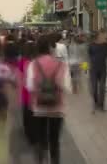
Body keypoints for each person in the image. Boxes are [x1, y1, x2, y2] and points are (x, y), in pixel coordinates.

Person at [26, 35, 72, 164]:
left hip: (39, 107)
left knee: (41, 138)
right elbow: (67, 87)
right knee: (54, 139)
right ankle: (54, 161)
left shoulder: (33, 64)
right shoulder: (61, 65)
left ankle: (40, 160)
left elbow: (29, 86)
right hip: (57, 108)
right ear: (50, 49)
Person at [88, 29, 107, 112]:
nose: (104, 37)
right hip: (93, 69)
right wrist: (85, 68)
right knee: (94, 88)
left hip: (103, 69)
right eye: (102, 35)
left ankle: (101, 105)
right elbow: (87, 57)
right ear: (97, 36)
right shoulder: (91, 45)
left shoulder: (106, 45)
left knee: (102, 88)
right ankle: (95, 103)